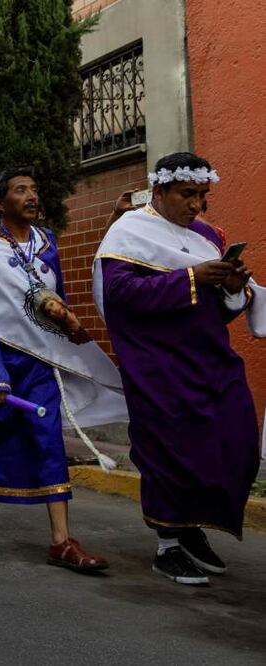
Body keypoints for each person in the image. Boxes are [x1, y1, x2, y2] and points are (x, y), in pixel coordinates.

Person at [0, 166, 126, 571]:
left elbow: (53, 296)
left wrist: (67, 325)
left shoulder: (47, 242)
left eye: (34, 189)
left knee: (48, 440)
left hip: (39, 361)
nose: (31, 195)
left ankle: (61, 540)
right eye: (20, 190)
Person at [94, 152, 260, 585]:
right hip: (157, 364)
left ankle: (192, 527)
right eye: (187, 194)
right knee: (170, 450)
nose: (196, 205)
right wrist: (191, 278)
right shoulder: (128, 231)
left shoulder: (206, 235)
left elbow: (217, 310)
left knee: (237, 438)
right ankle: (168, 544)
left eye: (202, 195)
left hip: (211, 359)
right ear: (161, 190)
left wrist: (231, 288)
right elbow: (121, 293)